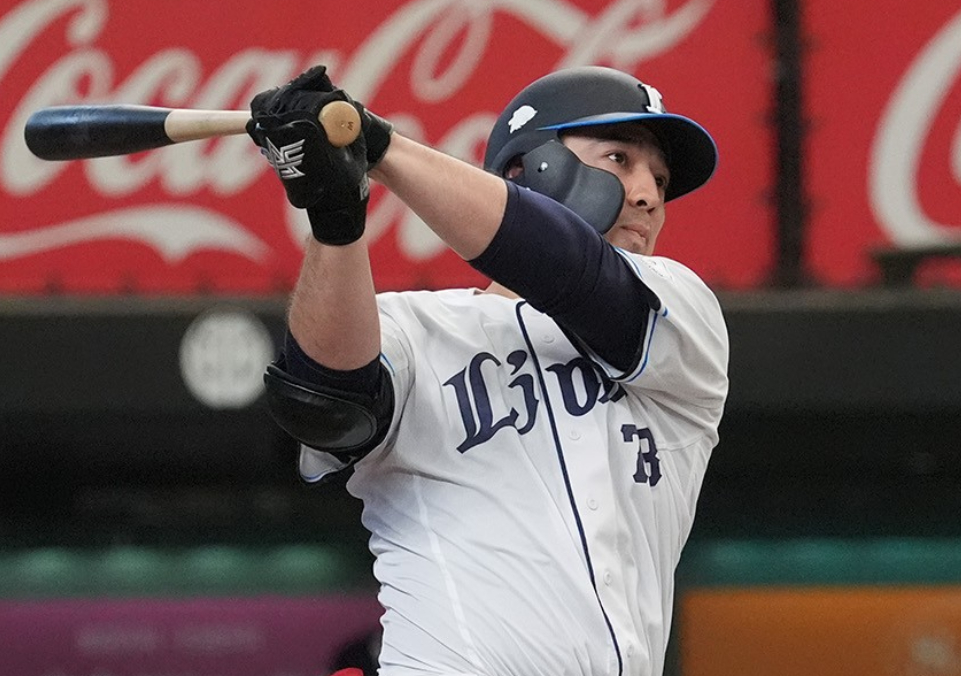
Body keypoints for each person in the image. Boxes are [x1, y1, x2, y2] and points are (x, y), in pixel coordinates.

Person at [247, 64, 729, 676]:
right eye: (619, 159)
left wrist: (382, 147)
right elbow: (326, 401)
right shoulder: (415, 327)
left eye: (659, 179)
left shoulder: (683, 314)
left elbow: (571, 268)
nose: (648, 195)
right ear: (527, 170)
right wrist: (334, 215)